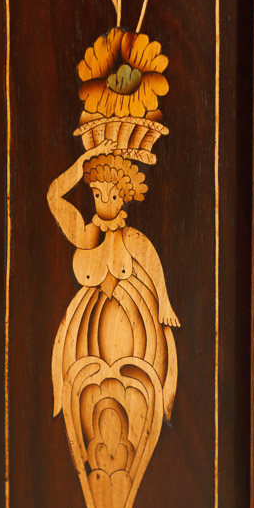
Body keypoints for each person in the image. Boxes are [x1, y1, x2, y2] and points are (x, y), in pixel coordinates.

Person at [47, 139, 179, 423]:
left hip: (135, 320)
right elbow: (54, 196)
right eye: (97, 194)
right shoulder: (86, 237)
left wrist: (165, 304)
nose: (105, 203)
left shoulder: (130, 238)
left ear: (124, 198)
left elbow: (154, 264)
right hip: (90, 321)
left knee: (138, 372)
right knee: (84, 367)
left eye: (112, 196)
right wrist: (82, 162)